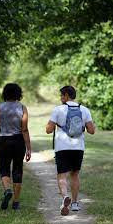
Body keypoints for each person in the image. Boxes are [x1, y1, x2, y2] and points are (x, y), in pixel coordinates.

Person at [46, 86, 95, 216]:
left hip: (62, 147)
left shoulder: (58, 109)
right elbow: (92, 130)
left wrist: (57, 124)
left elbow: (48, 130)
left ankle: (64, 198)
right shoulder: (84, 110)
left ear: (66, 95)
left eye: (61, 95)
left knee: (62, 175)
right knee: (75, 174)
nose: (61, 98)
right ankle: (74, 203)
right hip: (78, 147)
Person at [0, 83, 31, 210]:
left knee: (4, 168)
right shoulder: (23, 108)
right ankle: (16, 203)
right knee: (18, 169)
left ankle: (7, 190)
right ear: (19, 94)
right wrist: (28, 148)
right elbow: (24, 129)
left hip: (4, 141)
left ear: (5, 93)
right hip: (18, 141)